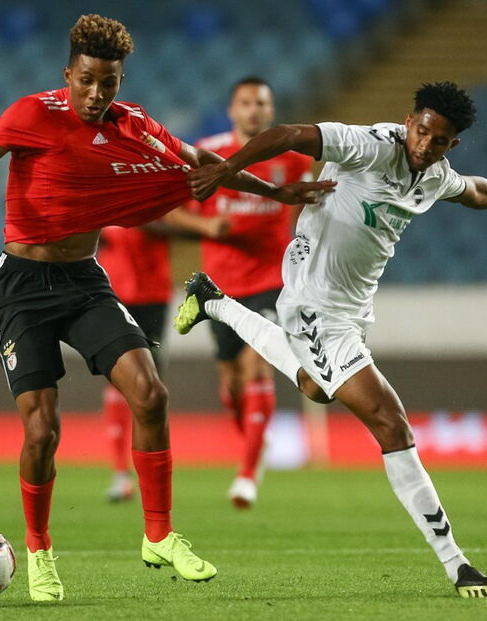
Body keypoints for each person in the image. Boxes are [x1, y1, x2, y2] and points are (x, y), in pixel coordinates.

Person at [0, 14, 332, 602]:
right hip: (22, 288)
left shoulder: (135, 127)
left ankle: (159, 536)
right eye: (87, 80)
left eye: (110, 82)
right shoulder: (33, 115)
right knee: (43, 431)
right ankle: (40, 552)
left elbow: (203, 163)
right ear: (68, 74)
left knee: (150, 393)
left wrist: (277, 192)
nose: (97, 94)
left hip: (83, 281)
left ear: (121, 80)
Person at [175, 81, 487, 599]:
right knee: (390, 422)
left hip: (354, 310)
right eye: (421, 131)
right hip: (313, 300)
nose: (425, 145)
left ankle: (212, 300)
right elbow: (287, 134)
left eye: (439, 140)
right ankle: (458, 565)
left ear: (452, 144)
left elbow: (475, 191)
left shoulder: (434, 175)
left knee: (315, 386)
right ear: (408, 122)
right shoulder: (370, 145)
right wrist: (225, 171)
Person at [183, 77, 313, 509]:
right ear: (232, 110)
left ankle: (246, 475)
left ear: (271, 110)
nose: (254, 110)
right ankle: (256, 440)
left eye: (261, 103)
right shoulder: (207, 152)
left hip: (270, 282)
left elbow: (307, 211)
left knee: (257, 366)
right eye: (246, 102)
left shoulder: (292, 160)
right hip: (219, 288)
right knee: (231, 384)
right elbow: (175, 209)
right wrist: (205, 226)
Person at [98, 214, 227, 503]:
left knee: (149, 386)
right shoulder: (104, 194)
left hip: (152, 293)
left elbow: (179, 225)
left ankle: (147, 472)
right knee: (115, 379)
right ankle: (120, 473)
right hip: (113, 292)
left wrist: (148, 220)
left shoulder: (153, 195)